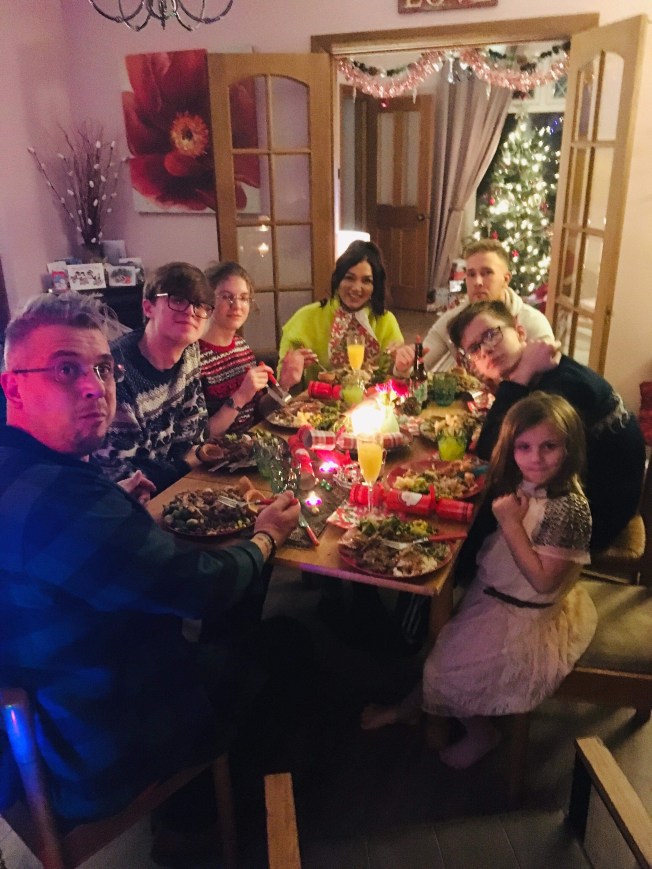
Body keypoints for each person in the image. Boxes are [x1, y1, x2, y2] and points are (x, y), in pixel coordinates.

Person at [0, 291, 300, 829]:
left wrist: (118, 512)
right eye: (66, 369)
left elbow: (69, 553)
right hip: (97, 740)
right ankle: (198, 825)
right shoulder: (58, 501)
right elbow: (201, 589)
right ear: (13, 386)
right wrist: (267, 538)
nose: (94, 386)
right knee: (287, 656)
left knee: (259, 636)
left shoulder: (24, 470)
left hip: (52, 714)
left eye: (103, 368)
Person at [362, 393, 597, 769]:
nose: (535, 458)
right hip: (498, 594)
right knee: (441, 645)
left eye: (549, 446)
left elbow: (542, 582)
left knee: (442, 668)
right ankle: (409, 708)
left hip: (525, 615)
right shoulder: (534, 481)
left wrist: (510, 522)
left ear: (570, 447)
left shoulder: (569, 509)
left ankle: (481, 733)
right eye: (524, 447)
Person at [448, 300, 646, 550]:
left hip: (594, 514)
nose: (486, 350)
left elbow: (491, 449)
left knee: (473, 513)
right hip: (579, 488)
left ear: (519, 331)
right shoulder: (544, 372)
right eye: (475, 348)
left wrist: (520, 376)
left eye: (491, 335)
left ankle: (458, 571)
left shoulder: (560, 385)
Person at [93, 261, 272, 491]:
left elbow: (195, 434)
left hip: (183, 481)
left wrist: (190, 458)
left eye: (199, 305)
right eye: (177, 300)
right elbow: (128, 477)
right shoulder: (114, 371)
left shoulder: (189, 351)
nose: (190, 312)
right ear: (148, 307)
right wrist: (187, 461)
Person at [278, 240, 413, 388]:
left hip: (372, 400)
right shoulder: (305, 318)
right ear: (338, 280)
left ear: (375, 287)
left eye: (366, 281)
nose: (356, 288)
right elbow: (282, 387)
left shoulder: (386, 321)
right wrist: (286, 379)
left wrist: (402, 368)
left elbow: (398, 383)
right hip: (315, 401)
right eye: (349, 278)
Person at [421, 238, 554, 373]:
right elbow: (420, 362)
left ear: (506, 279)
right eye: (471, 274)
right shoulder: (452, 319)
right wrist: (408, 364)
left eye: (487, 273)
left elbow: (549, 379)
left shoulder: (533, 323)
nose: (477, 282)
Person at [198, 261, 277, 437]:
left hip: (250, 443)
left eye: (243, 298)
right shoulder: (194, 357)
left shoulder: (241, 346)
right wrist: (241, 395)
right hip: (216, 453)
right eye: (226, 297)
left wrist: (284, 383)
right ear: (207, 301)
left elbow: (257, 411)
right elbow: (202, 436)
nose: (237, 306)